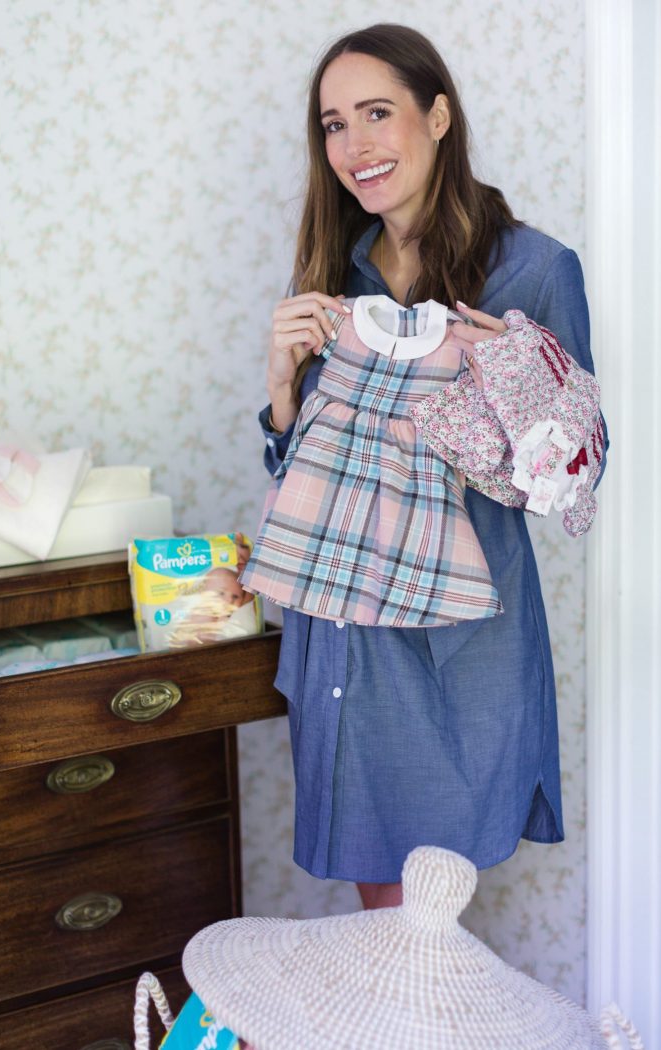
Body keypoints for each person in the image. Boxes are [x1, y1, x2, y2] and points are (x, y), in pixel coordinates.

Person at [257, 23, 605, 913]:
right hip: (345, 634)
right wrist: (283, 389)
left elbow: (574, 482)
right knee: (384, 918)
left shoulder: (533, 271)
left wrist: (520, 385)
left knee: (427, 923)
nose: (354, 146)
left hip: (459, 645)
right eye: (334, 124)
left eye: (377, 113)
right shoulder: (342, 271)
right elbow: (310, 480)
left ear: (438, 115)